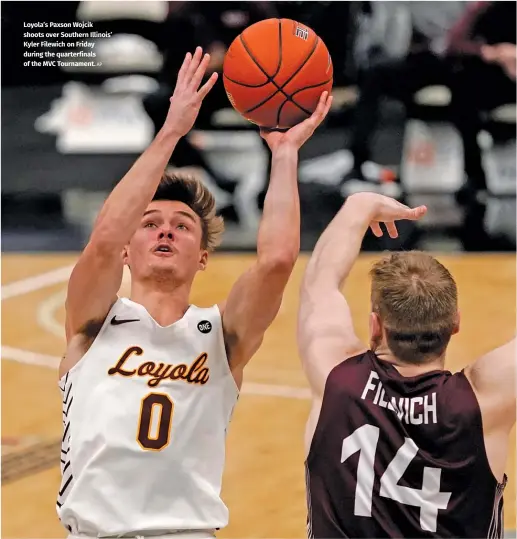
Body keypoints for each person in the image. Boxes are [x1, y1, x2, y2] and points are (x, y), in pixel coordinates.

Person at [56, 47, 332, 538]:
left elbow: (275, 262)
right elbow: (101, 241)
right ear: (127, 250)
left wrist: (285, 155)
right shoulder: (93, 322)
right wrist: (171, 132)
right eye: (151, 224)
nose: (165, 232)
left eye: (182, 226)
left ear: (203, 256)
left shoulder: (220, 337)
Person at [298, 191, 515, 537]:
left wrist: (360, 206)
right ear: (455, 323)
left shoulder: (335, 376)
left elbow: (320, 283)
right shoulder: (483, 400)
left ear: (375, 326)